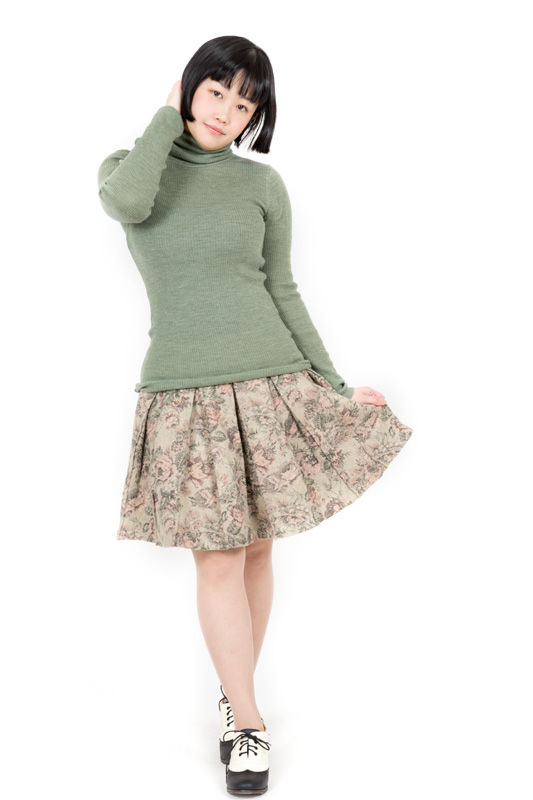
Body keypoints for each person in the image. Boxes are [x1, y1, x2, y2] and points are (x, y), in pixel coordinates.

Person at [97, 34, 413, 796]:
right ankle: (246, 717)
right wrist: (165, 118)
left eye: (245, 105)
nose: (227, 113)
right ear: (187, 88)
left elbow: (281, 289)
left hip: (272, 381)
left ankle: (236, 703)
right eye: (216, 92)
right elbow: (126, 205)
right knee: (217, 556)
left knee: (258, 550)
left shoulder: (261, 185)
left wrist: (332, 386)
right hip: (185, 392)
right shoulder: (132, 167)